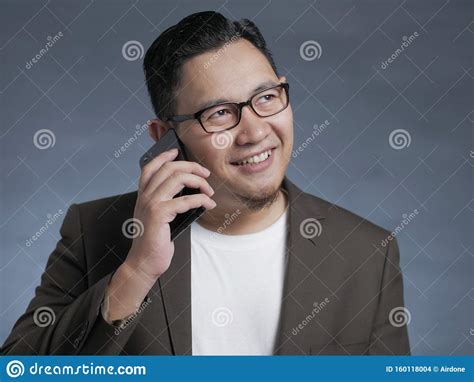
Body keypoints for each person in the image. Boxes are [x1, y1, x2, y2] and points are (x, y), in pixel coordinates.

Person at [0, 11, 410, 355]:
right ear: (165, 136)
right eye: (219, 113)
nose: (254, 132)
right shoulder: (95, 231)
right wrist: (137, 271)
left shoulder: (368, 252)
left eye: (267, 97)